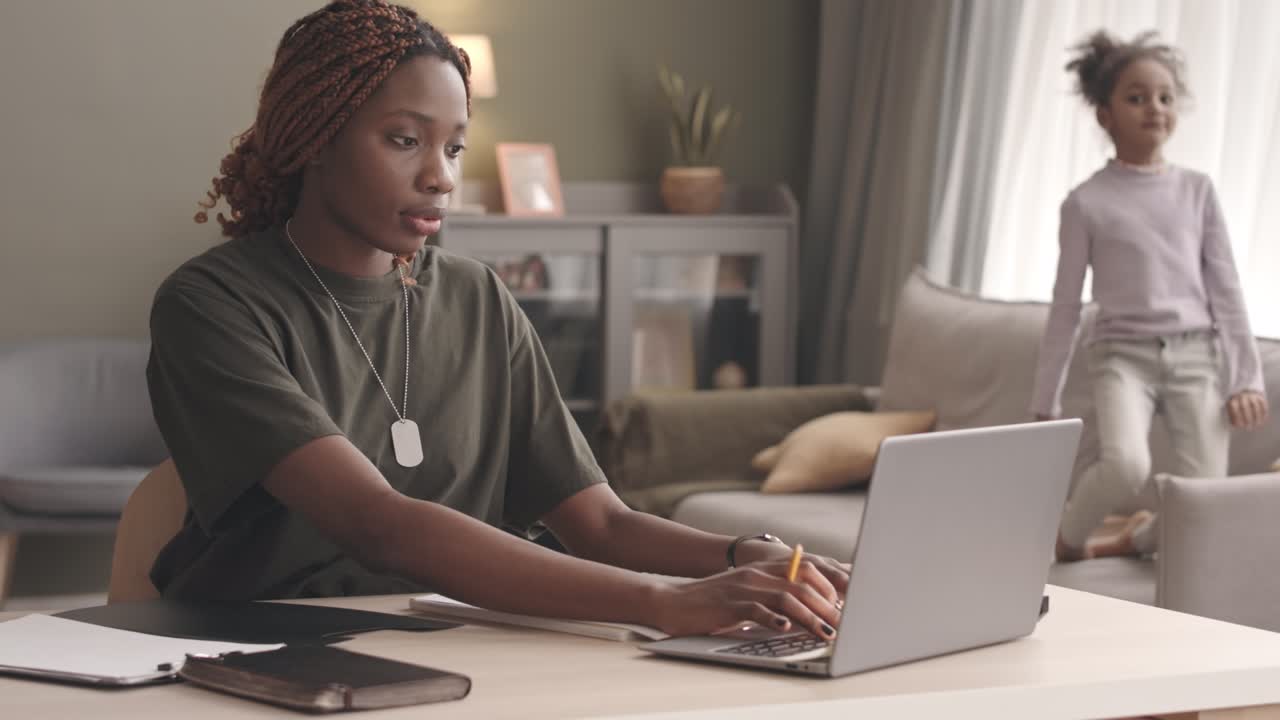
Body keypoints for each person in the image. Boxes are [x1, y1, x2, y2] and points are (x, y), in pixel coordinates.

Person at [147, 0, 846, 640]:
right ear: (314, 141)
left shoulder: (477, 298)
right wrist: (661, 601)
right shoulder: (212, 305)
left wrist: (742, 553)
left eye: (453, 147)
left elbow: (599, 523)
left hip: (469, 641)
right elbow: (377, 524)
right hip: (268, 645)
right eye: (403, 140)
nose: (441, 177)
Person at [1030, 30, 1269, 562]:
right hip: (1122, 358)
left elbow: (1226, 290)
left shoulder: (1198, 191)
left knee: (1205, 498)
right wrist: (1044, 402)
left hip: (1196, 356)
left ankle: (1130, 540)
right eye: (1136, 97)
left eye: (1164, 97)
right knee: (1126, 464)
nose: (1154, 108)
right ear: (1104, 115)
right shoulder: (1086, 203)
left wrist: (1245, 378)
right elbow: (1065, 306)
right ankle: (1066, 540)